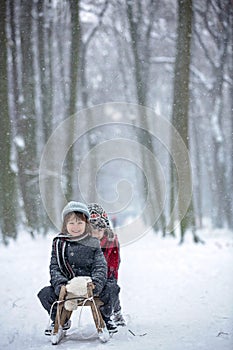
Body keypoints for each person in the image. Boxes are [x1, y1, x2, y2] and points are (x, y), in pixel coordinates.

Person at [37, 201, 118, 335]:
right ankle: (59, 319)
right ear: (65, 225)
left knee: (112, 288)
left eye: (80, 223)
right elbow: (55, 266)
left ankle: (106, 317)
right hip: (67, 285)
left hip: (90, 285)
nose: (76, 227)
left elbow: (100, 265)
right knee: (45, 294)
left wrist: (96, 283)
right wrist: (60, 284)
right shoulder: (59, 243)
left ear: (86, 224)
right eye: (71, 223)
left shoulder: (93, 242)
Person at [88, 203, 126, 326]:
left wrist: (109, 276)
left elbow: (114, 262)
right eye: (92, 229)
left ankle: (116, 312)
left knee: (112, 290)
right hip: (90, 277)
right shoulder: (85, 242)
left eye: (100, 229)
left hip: (108, 274)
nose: (96, 233)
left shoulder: (111, 241)